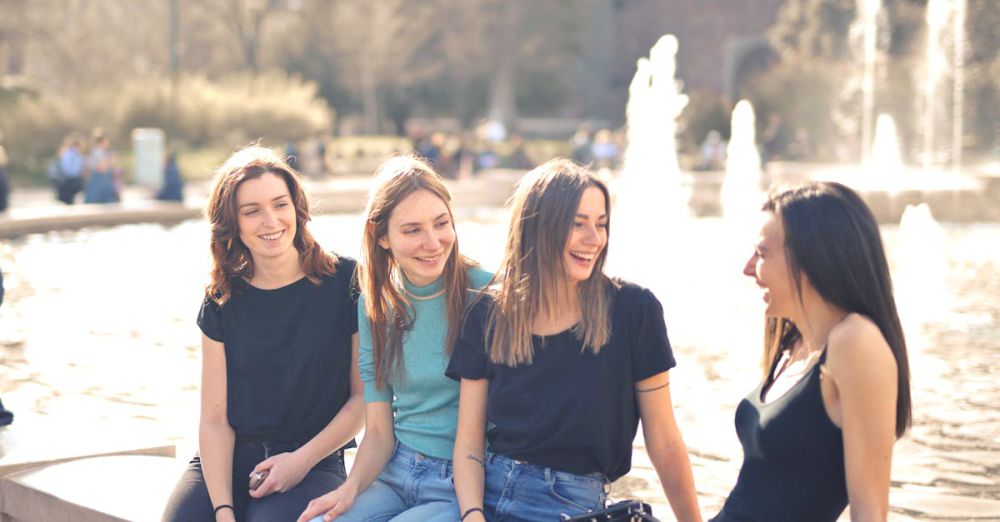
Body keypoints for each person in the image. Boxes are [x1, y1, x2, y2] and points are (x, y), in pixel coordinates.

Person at [447, 159, 702, 522]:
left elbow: (664, 440)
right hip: (487, 494)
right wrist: (473, 515)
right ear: (538, 227)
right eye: (578, 224)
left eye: (601, 224)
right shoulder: (488, 315)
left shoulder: (633, 311)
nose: (594, 239)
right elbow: (470, 443)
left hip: (571, 504)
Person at [161, 146, 364, 522]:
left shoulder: (346, 282)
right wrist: (223, 510)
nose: (271, 221)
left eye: (280, 204)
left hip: (312, 461)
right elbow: (214, 419)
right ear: (232, 223)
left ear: (297, 209)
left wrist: (301, 461)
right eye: (252, 211)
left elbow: (361, 401)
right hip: (232, 457)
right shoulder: (222, 297)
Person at [297, 156, 491, 522]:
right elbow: (380, 432)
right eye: (412, 230)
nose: (433, 242)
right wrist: (348, 490)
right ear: (380, 235)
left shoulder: (486, 293)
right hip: (395, 472)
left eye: (441, 223)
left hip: (460, 483)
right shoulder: (376, 303)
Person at [711, 182, 912, 521]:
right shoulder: (793, 343)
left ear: (812, 256)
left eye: (762, 253)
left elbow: (870, 510)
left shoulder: (855, 342)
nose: (748, 268)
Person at [84, 134, 119, 204]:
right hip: (99, 178)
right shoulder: (96, 152)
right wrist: (109, 161)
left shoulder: (103, 152)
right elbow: (100, 167)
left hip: (103, 178)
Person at [56, 138, 85, 205]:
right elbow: (66, 166)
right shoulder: (69, 154)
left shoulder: (78, 155)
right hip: (69, 178)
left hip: (74, 178)